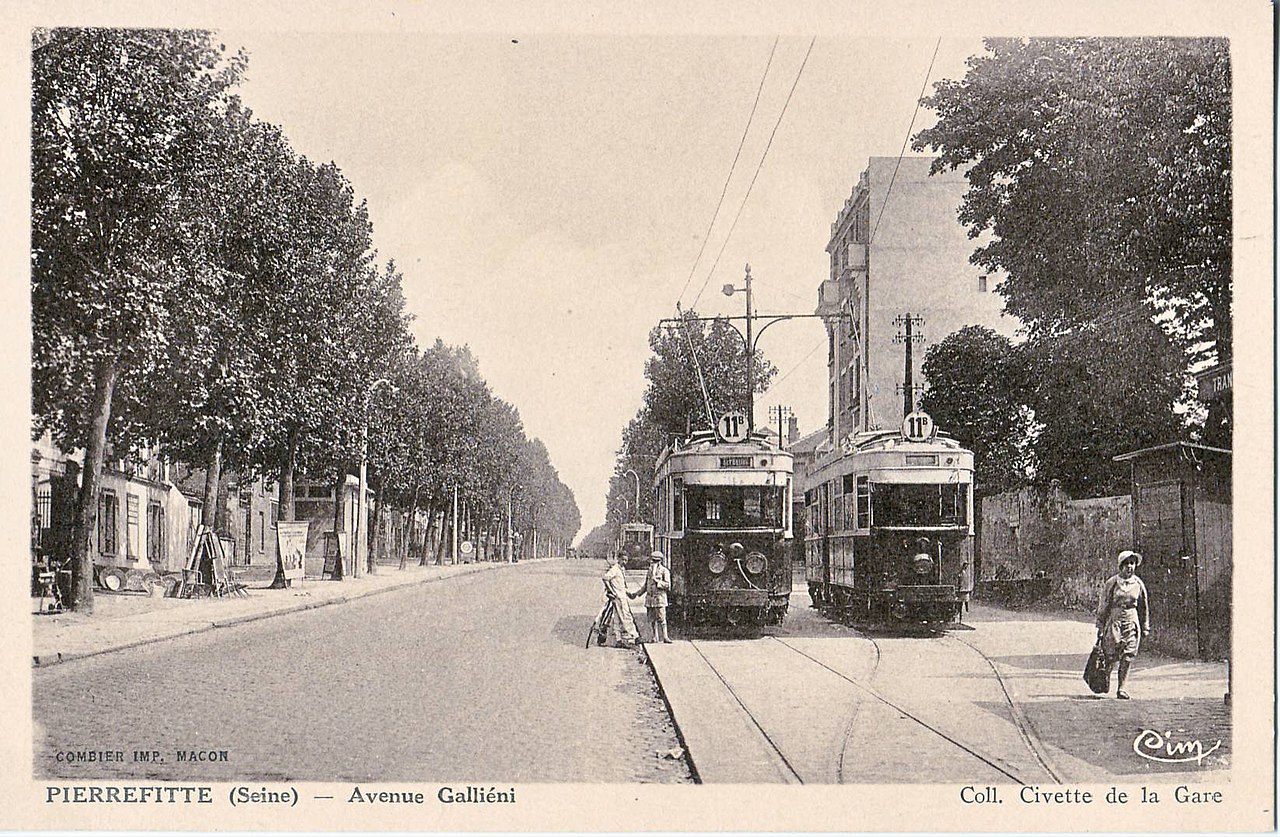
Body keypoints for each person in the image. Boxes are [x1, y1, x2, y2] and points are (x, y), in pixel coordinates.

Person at [1096, 550, 1151, 699]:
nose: (1129, 567)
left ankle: (1122, 688)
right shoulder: (1112, 583)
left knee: (1128, 655)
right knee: (1111, 654)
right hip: (1115, 620)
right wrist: (1100, 625)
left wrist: (1145, 626)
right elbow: (1104, 605)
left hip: (1131, 621)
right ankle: (1104, 679)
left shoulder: (1138, 584)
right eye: (1126, 564)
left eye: (1132, 564)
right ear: (1121, 566)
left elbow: (1143, 606)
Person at [630, 550, 672, 643]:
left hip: (659, 598)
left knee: (662, 618)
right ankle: (655, 637)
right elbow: (645, 585)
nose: (654, 563)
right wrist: (637, 594)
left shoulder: (665, 571)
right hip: (650, 599)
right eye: (653, 561)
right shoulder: (649, 571)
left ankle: (665, 636)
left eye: (656, 561)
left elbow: (668, 585)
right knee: (652, 619)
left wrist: (657, 582)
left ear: (660, 561)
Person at [601, 552, 640, 647]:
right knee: (626, 617)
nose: (624, 562)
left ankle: (618, 640)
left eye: (626, 560)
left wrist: (628, 593)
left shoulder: (621, 569)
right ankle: (635, 637)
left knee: (617, 619)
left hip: (621, 596)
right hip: (618, 598)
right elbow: (605, 578)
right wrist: (612, 592)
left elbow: (621, 585)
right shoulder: (615, 569)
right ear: (618, 559)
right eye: (623, 560)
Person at [956, 559, 974, 623]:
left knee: (965, 604)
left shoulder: (965, 573)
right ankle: (960, 618)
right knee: (960, 605)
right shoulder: (961, 573)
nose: (966, 567)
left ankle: (964, 617)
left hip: (965, 590)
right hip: (962, 591)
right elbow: (960, 581)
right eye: (966, 565)